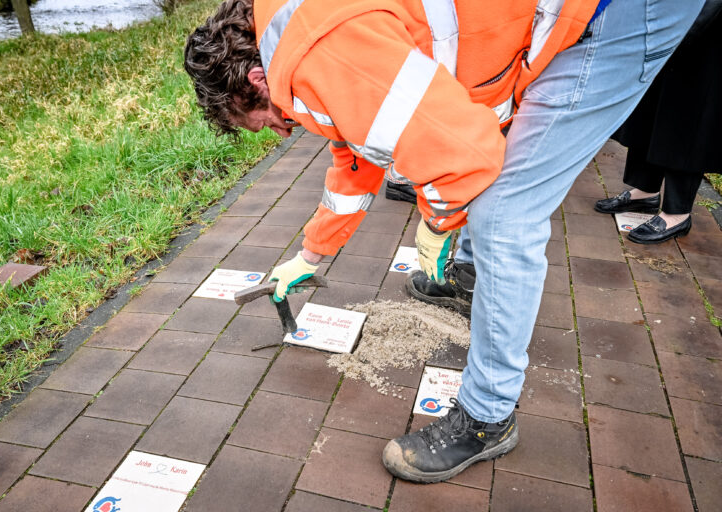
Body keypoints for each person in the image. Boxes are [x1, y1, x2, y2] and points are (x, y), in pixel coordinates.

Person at [184, 0, 702, 483]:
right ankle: (474, 277)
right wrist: (308, 254)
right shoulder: (294, 31)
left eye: (259, 121)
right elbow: (356, 152)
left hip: (613, 13)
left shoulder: (319, 52)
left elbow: (463, 156)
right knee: (494, 177)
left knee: (503, 213)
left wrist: (437, 225)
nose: (276, 132)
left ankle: (487, 417)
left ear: (256, 79)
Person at [593, 0, 722, 244]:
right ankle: (646, 190)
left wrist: (686, 29)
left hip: (709, 30)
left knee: (689, 113)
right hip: (675, 14)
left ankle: (677, 212)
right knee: (654, 103)